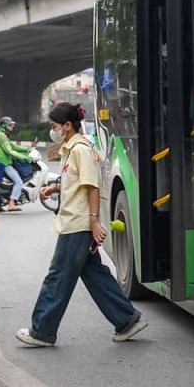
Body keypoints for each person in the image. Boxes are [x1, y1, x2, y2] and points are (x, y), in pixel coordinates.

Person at [16, 103, 147, 348]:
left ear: (67, 126)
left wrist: (94, 222)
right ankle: (128, 320)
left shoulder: (80, 150)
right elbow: (73, 181)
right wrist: (53, 188)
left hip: (78, 225)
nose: (52, 130)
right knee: (94, 274)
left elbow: (92, 185)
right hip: (73, 222)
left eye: (55, 126)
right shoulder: (71, 148)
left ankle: (42, 331)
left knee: (57, 278)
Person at [0, 116, 32, 206]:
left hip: (6, 162)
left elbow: (14, 147)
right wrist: (24, 157)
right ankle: (12, 203)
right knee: (19, 182)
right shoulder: (2, 137)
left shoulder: (4, 135)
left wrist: (27, 149)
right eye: (10, 125)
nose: (12, 127)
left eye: (12, 125)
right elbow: (10, 151)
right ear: (4, 126)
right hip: (4, 164)